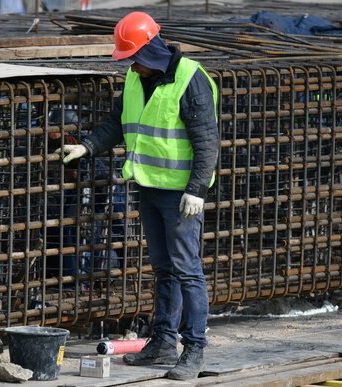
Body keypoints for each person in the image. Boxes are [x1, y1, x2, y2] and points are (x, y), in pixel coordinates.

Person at [56, 11, 219, 381]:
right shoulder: (135, 78)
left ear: (152, 49)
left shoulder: (190, 78)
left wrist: (196, 189)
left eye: (135, 57)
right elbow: (118, 123)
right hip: (149, 187)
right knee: (164, 269)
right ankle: (163, 341)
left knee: (188, 270)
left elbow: (207, 141)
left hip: (180, 195)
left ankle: (194, 348)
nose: (132, 64)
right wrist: (87, 147)